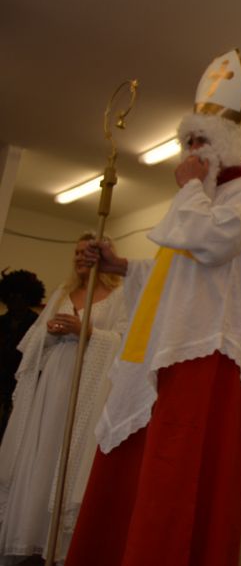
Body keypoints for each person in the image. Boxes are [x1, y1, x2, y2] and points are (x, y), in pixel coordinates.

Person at [65, 50, 241, 566]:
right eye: (188, 141)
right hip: (167, 350)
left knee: (175, 473)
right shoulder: (197, 199)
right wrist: (119, 266)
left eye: (201, 141)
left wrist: (189, 189)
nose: (191, 151)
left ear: (226, 144)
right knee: (135, 470)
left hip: (205, 355)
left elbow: (216, 244)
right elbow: (176, 278)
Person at [0, 235, 127, 563]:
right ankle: (31, 535)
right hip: (53, 385)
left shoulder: (120, 296)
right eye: (76, 253)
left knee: (71, 454)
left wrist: (87, 332)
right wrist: (51, 332)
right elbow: (32, 343)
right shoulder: (61, 292)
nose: (80, 257)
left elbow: (125, 344)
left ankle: (61, 543)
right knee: (43, 451)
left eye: (88, 252)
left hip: (88, 387)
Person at [0, 269, 45, 438]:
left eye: (21, 296)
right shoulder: (1, 322)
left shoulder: (38, 324)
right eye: (12, 296)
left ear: (29, 298)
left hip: (24, 384)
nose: (16, 301)